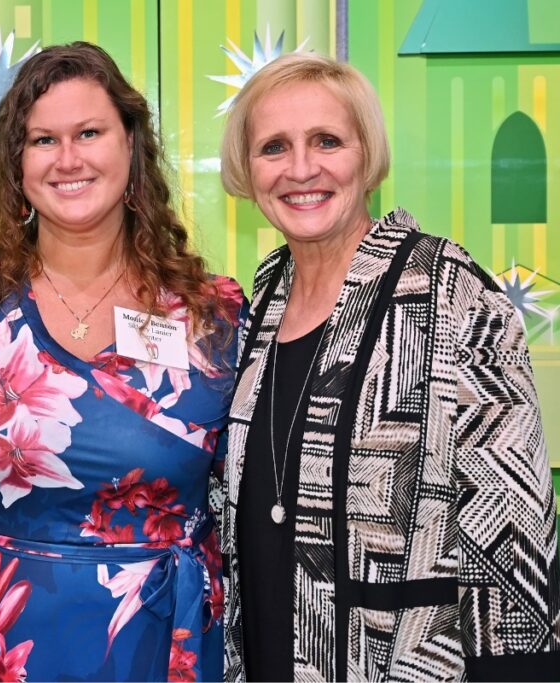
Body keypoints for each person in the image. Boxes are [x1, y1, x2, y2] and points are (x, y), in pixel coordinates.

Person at [219, 51, 560, 681]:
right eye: (274, 147)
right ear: (248, 168)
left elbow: (512, 525)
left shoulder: (449, 289)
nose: (301, 169)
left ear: (367, 155)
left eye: (327, 141)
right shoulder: (261, 297)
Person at [0, 41, 246, 681]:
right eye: (43, 140)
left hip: (155, 640)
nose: (68, 159)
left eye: (89, 132)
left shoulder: (213, 315)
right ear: (16, 164)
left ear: (131, 146)